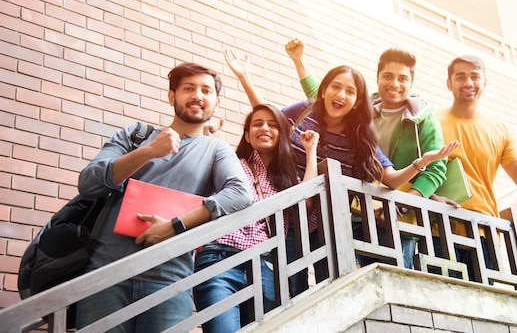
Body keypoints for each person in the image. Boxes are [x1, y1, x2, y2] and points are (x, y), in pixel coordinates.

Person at [224, 48, 457, 292]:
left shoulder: (360, 137)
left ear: (357, 102)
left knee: (330, 285)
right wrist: (245, 78)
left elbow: (391, 179)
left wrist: (422, 162)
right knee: (292, 286)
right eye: (335, 87)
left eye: (350, 91)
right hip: (287, 214)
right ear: (324, 90)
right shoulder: (305, 110)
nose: (341, 95)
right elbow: (268, 119)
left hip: (328, 225)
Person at [75, 62, 253, 332]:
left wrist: (174, 225)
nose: (197, 95)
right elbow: (88, 183)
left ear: (216, 102)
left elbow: (240, 193)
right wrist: (147, 152)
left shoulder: (216, 149)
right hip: (106, 275)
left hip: (170, 281)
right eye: (188, 88)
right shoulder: (135, 135)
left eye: (206, 90)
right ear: (172, 96)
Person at [284, 38, 458, 269]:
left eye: (403, 78)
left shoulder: (423, 119)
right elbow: (324, 97)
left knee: (390, 278)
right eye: (388, 76)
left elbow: (435, 169)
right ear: (377, 77)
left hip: (393, 217)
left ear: (411, 83)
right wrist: (299, 62)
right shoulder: (360, 108)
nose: (394, 83)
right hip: (353, 212)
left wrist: (401, 205)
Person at [193, 104, 319, 333]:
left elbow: (307, 202)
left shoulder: (286, 181)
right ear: (247, 136)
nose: (265, 128)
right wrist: (209, 136)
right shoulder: (232, 164)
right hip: (220, 259)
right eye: (257, 124)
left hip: (264, 266)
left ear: (282, 135)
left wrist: (311, 152)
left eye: (272, 125)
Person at [435, 54, 517, 280]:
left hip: (484, 230)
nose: (468, 83)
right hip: (437, 226)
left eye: (475, 77)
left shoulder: (500, 130)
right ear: (449, 83)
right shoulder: (431, 120)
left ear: (484, 84)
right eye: (460, 77)